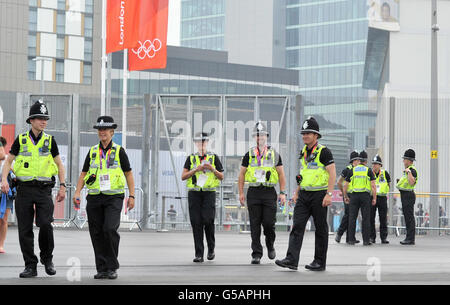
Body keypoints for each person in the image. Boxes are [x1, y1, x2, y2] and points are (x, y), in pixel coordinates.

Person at [1, 100, 66, 278]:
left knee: (45, 224)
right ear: (31, 120)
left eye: (45, 118)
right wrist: (4, 181)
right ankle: (30, 265)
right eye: (39, 118)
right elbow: (8, 161)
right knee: (25, 229)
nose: (43, 121)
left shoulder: (50, 140)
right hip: (24, 190)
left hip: (44, 190)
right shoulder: (21, 140)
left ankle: (47, 258)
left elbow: (59, 164)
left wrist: (62, 186)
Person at [72, 116, 135, 279]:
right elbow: (83, 173)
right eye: (100, 129)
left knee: (109, 229)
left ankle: (112, 266)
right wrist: (77, 192)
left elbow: (128, 173)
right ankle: (101, 268)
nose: (102, 132)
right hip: (94, 197)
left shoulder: (119, 151)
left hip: (114, 198)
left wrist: (132, 195)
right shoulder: (93, 151)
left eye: (105, 129)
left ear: (112, 132)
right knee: (97, 233)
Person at [275, 116, 335, 271]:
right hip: (304, 195)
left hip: (319, 195)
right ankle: (291, 259)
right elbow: (303, 174)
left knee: (321, 229)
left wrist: (329, 194)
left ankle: (319, 262)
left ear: (316, 135)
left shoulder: (324, 152)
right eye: (303, 133)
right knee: (297, 225)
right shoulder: (303, 152)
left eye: (308, 133)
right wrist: (296, 193)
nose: (305, 136)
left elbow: (332, 173)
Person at [238, 121, 287, 264]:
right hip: (253, 191)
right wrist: (241, 192)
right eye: (257, 135)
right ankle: (256, 253)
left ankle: (270, 244)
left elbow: (281, 175)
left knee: (268, 223)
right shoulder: (249, 155)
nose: (260, 137)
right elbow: (241, 175)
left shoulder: (274, 154)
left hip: (269, 192)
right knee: (254, 224)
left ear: (266, 136)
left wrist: (282, 192)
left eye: (263, 135)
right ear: (255, 137)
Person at [181, 132, 224, 263]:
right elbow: (183, 176)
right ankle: (199, 253)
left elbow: (221, 176)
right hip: (194, 193)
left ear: (207, 143)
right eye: (198, 142)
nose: (201, 144)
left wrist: (212, 168)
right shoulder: (191, 158)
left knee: (208, 220)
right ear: (195, 143)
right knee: (196, 222)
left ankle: (211, 247)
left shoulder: (213, 157)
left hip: (208, 193)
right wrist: (195, 170)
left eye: (203, 141)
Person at [343, 150, 376, 246]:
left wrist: (345, 196)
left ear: (358, 160)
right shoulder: (368, 170)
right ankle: (366, 240)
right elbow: (373, 186)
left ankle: (351, 239)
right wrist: (374, 198)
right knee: (366, 218)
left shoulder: (352, 170)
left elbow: (345, 185)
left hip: (354, 196)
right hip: (365, 196)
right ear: (365, 160)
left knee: (352, 218)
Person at [335, 150, 360, 243]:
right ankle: (339, 233)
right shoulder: (347, 170)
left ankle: (350, 238)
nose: (359, 162)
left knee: (353, 216)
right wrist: (343, 192)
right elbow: (339, 182)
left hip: (355, 195)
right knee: (348, 215)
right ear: (353, 161)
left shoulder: (359, 170)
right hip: (348, 195)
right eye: (357, 160)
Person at [396, 149, 418, 245]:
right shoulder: (407, 171)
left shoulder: (412, 170)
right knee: (407, 216)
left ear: (409, 160)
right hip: (405, 195)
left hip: (408, 196)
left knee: (409, 217)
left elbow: (412, 182)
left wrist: (409, 172)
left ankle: (410, 238)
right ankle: (408, 237)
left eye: (405, 159)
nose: (403, 161)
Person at [370, 154, 390, 244]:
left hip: (382, 198)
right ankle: (372, 237)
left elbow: (388, 184)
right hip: (372, 197)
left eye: (376, 163)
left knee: (383, 218)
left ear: (380, 165)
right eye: (373, 163)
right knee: (371, 218)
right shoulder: (370, 172)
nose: (374, 165)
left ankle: (383, 237)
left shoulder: (385, 173)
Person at [0, 136, 15, 254]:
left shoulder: (9, 161)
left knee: (4, 219)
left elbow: (17, 174)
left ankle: (1, 245)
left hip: (6, 193)